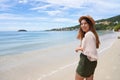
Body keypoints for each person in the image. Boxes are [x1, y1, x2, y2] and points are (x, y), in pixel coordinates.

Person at [75, 15, 100, 80]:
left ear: (89, 24)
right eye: (81, 24)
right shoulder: (92, 34)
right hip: (93, 62)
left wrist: (78, 48)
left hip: (86, 61)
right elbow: (91, 47)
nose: (83, 25)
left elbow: (87, 50)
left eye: (85, 23)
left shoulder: (88, 34)